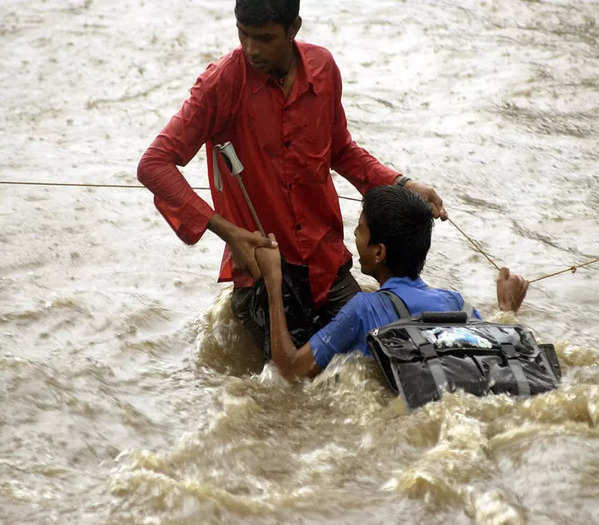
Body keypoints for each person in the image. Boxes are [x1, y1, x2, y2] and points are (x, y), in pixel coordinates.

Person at [137, 0, 446, 347]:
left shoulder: (324, 69)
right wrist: (231, 234)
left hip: (326, 263)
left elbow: (341, 151)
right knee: (286, 386)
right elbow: (154, 164)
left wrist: (404, 184)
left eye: (265, 39)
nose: (251, 49)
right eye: (244, 35)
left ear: (293, 28)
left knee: (385, 352)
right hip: (263, 273)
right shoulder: (221, 83)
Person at [254, 185, 529, 380]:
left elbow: (289, 371)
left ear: (379, 252)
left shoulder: (362, 308)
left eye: (360, 229)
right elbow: (491, 354)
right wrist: (507, 311)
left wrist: (273, 281)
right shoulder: (454, 302)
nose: (354, 233)